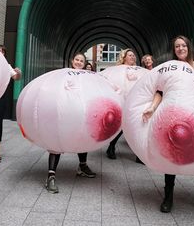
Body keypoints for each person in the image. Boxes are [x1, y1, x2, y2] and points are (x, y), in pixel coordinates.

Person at [141, 36, 194, 216]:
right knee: (171, 155)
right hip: (172, 116)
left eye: (183, 45)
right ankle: (168, 196)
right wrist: (152, 108)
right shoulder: (170, 67)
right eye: (177, 46)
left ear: (189, 47)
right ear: (174, 49)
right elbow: (160, 91)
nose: (180, 48)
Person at [45, 52, 97, 193]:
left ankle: (82, 166)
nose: (79, 62)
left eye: (81, 60)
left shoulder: (88, 77)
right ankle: (51, 176)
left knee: (83, 138)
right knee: (56, 143)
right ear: (72, 61)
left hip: (80, 114)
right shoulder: (63, 74)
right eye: (77, 59)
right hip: (62, 113)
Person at [106, 48, 137, 160]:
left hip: (135, 102)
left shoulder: (138, 70)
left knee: (135, 127)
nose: (133, 57)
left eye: (133, 55)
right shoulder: (116, 70)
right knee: (122, 126)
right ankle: (111, 146)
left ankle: (139, 154)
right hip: (122, 100)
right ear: (124, 57)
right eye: (130, 55)